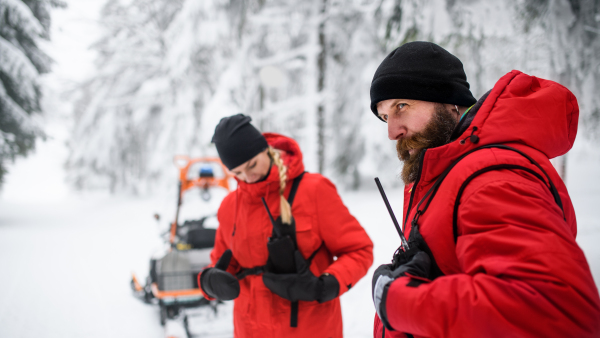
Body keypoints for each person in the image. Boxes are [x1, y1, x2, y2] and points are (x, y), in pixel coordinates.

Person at [369, 41, 600, 337]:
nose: (392, 131)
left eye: (402, 106)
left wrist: (399, 300)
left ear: (450, 102)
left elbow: (555, 312)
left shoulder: (491, 176)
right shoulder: (451, 175)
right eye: (386, 116)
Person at [198, 114, 373, 338]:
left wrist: (326, 285)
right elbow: (223, 262)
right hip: (249, 330)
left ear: (265, 150)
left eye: (252, 165)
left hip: (309, 329)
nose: (248, 177)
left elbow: (360, 250)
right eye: (237, 173)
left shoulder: (314, 191)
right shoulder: (230, 206)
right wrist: (211, 281)